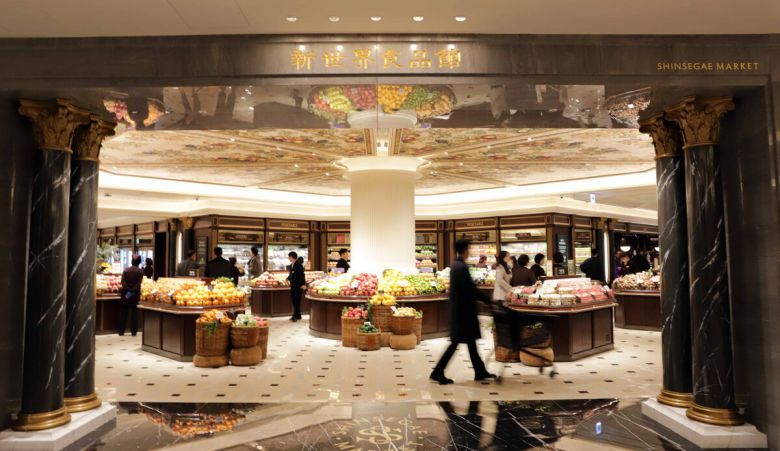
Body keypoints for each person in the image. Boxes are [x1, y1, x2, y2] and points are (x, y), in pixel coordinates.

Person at [430, 238, 496, 385]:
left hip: (460, 311)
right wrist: (488, 300)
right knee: (456, 343)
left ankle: (480, 371)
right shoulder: (461, 267)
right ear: (465, 250)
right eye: (469, 249)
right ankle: (438, 372)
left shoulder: (456, 266)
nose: (469, 251)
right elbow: (470, 289)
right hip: (463, 313)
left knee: (470, 343)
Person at [119, 255, 144, 336]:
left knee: (123, 312)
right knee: (134, 313)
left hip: (125, 293)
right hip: (135, 294)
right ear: (139, 262)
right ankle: (133, 331)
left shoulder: (125, 270)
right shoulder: (140, 272)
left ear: (131, 261)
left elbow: (122, 282)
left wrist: (128, 289)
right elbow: (139, 283)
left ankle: (121, 331)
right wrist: (133, 289)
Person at [287, 251, 305, 321]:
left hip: (298, 286)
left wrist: (303, 284)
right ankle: (298, 315)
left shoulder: (298, 264)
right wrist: (287, 278)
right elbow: (292, 274)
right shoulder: (292, 264)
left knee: (296, 301)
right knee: (294, 301)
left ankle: (296, 315)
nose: (288, 258)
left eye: (289, 257)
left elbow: (302, 275)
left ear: (292, 257)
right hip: (293, 286)